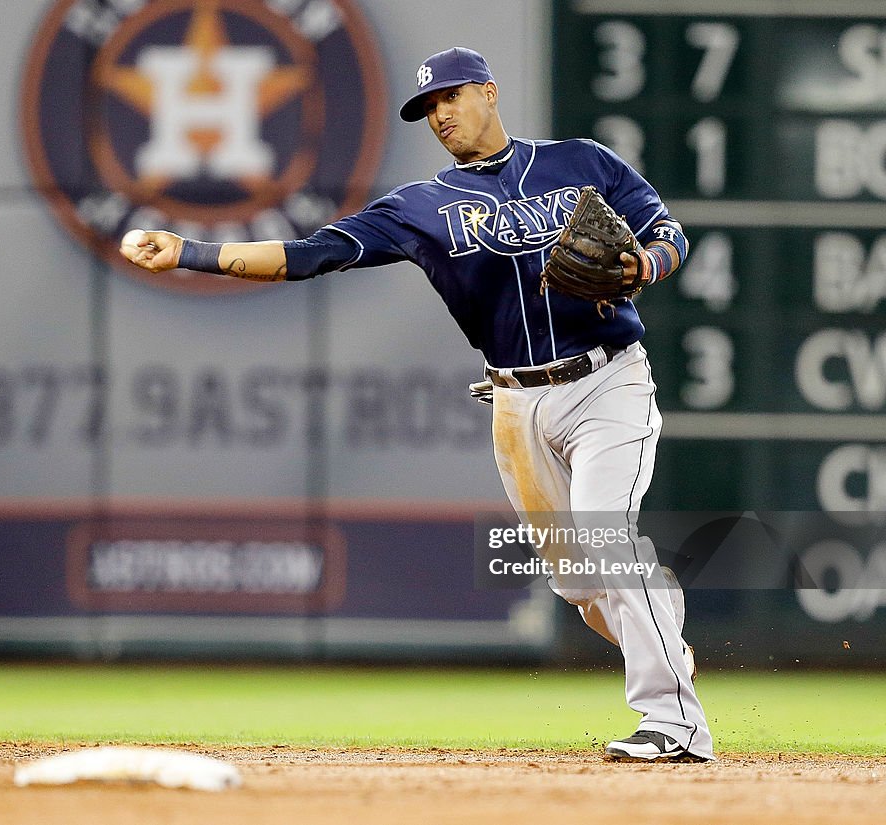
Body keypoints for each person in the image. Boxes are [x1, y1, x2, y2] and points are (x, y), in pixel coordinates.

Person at [121, 46, 714, 763]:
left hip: (608, 381)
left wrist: (645, 263)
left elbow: (667, 232)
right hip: (515, 403)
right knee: (582, 582)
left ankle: (675, 722)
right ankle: (658, 621)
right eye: (429, 107)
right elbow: (312, 253)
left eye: (452, 98)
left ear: (490, 93)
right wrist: (190, 249)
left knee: (608, 540)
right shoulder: (419, 208)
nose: (440, 114)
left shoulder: (581, 162)